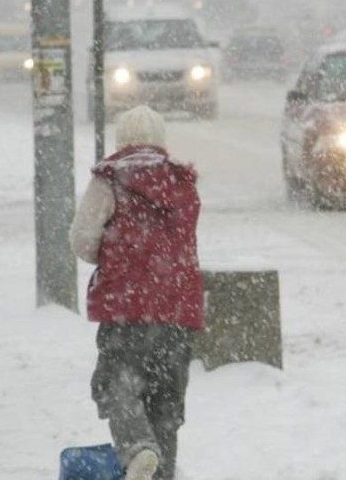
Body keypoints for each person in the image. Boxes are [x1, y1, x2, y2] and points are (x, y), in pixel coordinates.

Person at [70, 105, 204, 480]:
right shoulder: (183, 182)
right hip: (177, 308)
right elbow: (182, 239)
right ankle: (161, 471)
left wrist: (111, 256)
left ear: (120, 139)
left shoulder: (109, 180)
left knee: (119, 386)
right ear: (161, 140)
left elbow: (81, 240)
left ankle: (137, 450)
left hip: (125, 308)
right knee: (166, 402)